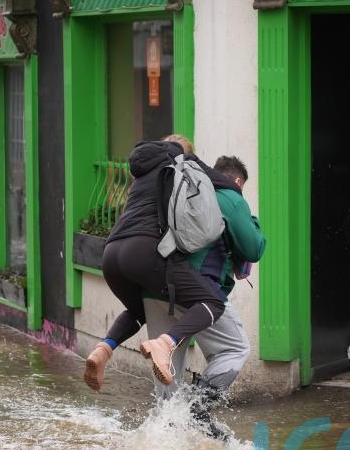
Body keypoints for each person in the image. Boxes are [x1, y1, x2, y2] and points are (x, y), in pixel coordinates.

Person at [85, 137, 239, 390]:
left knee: (139, 311)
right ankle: (165, 343)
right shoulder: (181, 160)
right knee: (212, 302)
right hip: (145, 250)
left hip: (112, 253)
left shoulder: (142, 174)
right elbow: (228, 186)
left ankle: (103, 349)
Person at [144, 155, 265, 438]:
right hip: (198, 289)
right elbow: (253, 248)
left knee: (168, 365)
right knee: (235, 348)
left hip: (156, 287)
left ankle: (164, 436)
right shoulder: (230, 197)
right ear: (237, 181)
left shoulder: (184, 190)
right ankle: (196, 409)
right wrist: (253, 222)